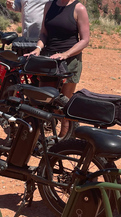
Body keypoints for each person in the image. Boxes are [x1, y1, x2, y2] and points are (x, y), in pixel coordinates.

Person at [28, 0, 90, 136]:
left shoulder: (79, 8)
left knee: (64, 105)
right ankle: (37, 138)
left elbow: (85, 39)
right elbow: (44, 33)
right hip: (49, 60)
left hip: (70, 61)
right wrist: (38, 49)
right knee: (43, 100)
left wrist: (65, 54)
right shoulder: (49, 5)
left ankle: (63, 140)